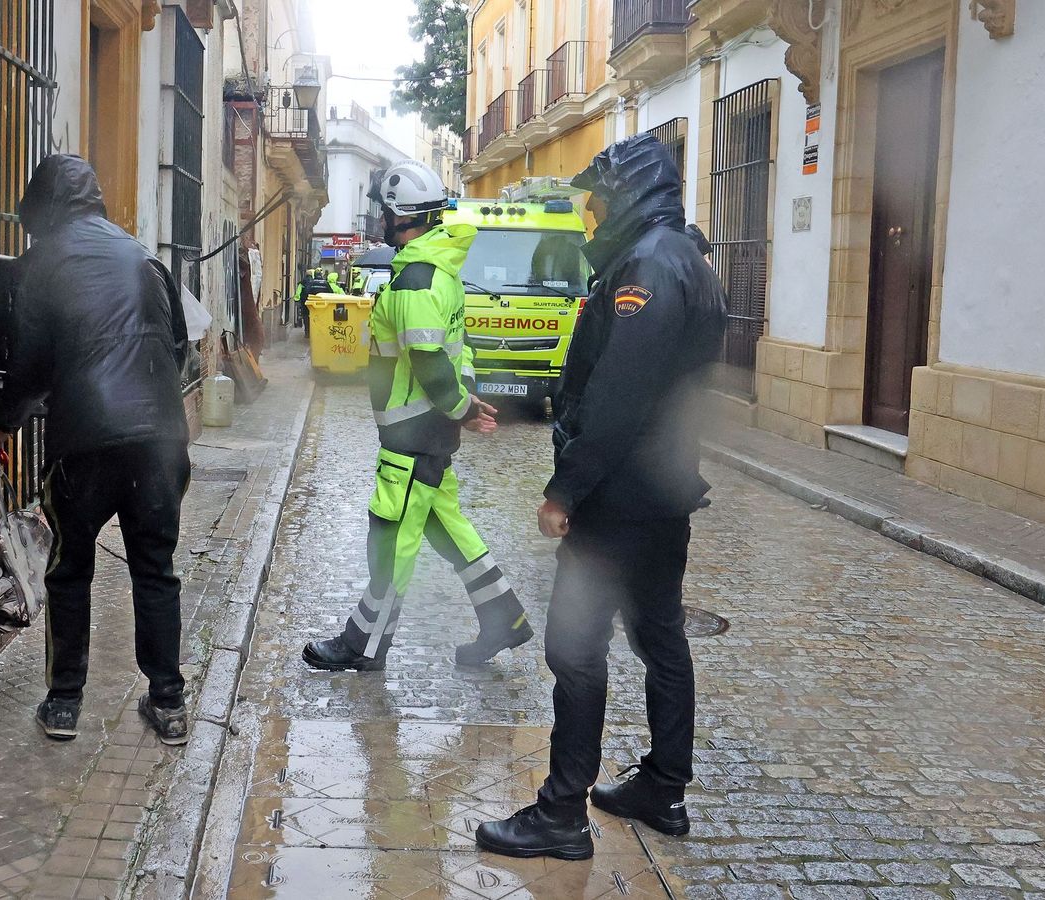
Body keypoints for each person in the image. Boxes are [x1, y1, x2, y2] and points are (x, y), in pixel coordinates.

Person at [475, 134, 727, 859]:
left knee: (575, 649)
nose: (589, 214)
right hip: (664, 491)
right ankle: (663, 787)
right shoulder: (688, 258)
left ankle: (560, 816)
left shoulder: (648, 264)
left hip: (620, 497)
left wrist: (565, 488)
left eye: (597, 200)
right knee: (660, 639)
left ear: (628, 195)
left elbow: (620, 396)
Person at [0, 154, 194, 746]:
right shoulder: (141, 255)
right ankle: (168, 703)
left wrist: (0, 423)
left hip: (87, 443)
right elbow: (178, 347)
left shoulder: (43, 262)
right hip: (160, 442)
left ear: (40, 210)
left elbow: (28, 365)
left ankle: (64, 702)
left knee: (70, 567)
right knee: (156, 568)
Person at [302, 160, 533, 672]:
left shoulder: (414, 280)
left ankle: (363, 644)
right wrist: (463, 406)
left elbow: (429, 358)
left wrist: (462, 408)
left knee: (391, 537)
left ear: (395, 217)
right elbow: (460, 347)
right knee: (446, 528)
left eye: (384, 212)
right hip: (430, 433)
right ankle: (505, 617)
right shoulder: (443, 273)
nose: (380, 220)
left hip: (411, 439)